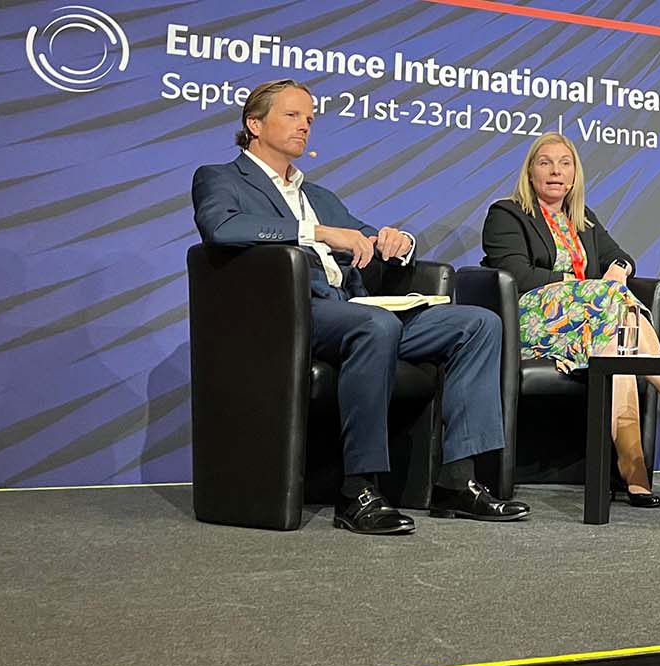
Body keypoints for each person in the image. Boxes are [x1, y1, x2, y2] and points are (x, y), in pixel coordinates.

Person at [191, 78, 529, 534]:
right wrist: (315, 233)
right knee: (375, 326)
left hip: (351, 309)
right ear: (254, 123)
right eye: (292, 115)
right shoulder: (222, 178)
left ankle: (457, 480)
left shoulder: (318, 196)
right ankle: (358, 489)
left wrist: (398, 241)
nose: (305, 126)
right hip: (291, 314)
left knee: (478, 323)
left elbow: (365, 236)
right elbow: (222, 228)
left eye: (309, 118)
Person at [480, 132, 660, 507]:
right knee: (613, 302)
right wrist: (587, 285)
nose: (556, 171)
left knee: (618, 350)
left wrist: (617, 270)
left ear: (574, 175)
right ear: (530, 172)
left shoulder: (583, 219)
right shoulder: (507, 213)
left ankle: (634, 469)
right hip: (532, 320)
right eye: (545, 163)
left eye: (565, 164)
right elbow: (517, 274)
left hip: (590, 322)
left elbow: (623, 257)